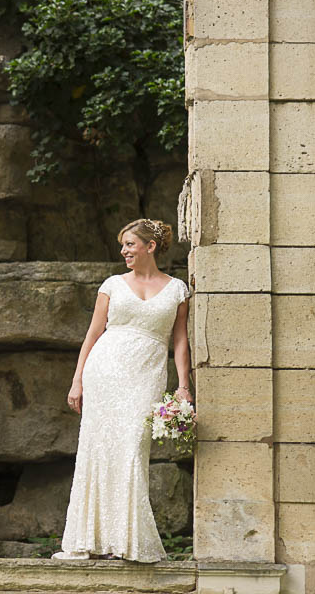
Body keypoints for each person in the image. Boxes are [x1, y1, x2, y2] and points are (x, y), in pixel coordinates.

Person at [52, 218, 192, 562]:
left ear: (150, 246)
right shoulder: (113, 284)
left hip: (146, 373)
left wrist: (184, 386)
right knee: (97, 450)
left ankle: (127, 541)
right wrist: (78, 378)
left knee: (131, 450)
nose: (124, 251)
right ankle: (87, 541)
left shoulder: (177, 289)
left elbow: (180, 341)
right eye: (123, 245)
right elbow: (93, 333)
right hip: (105, 369)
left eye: (130, 244)